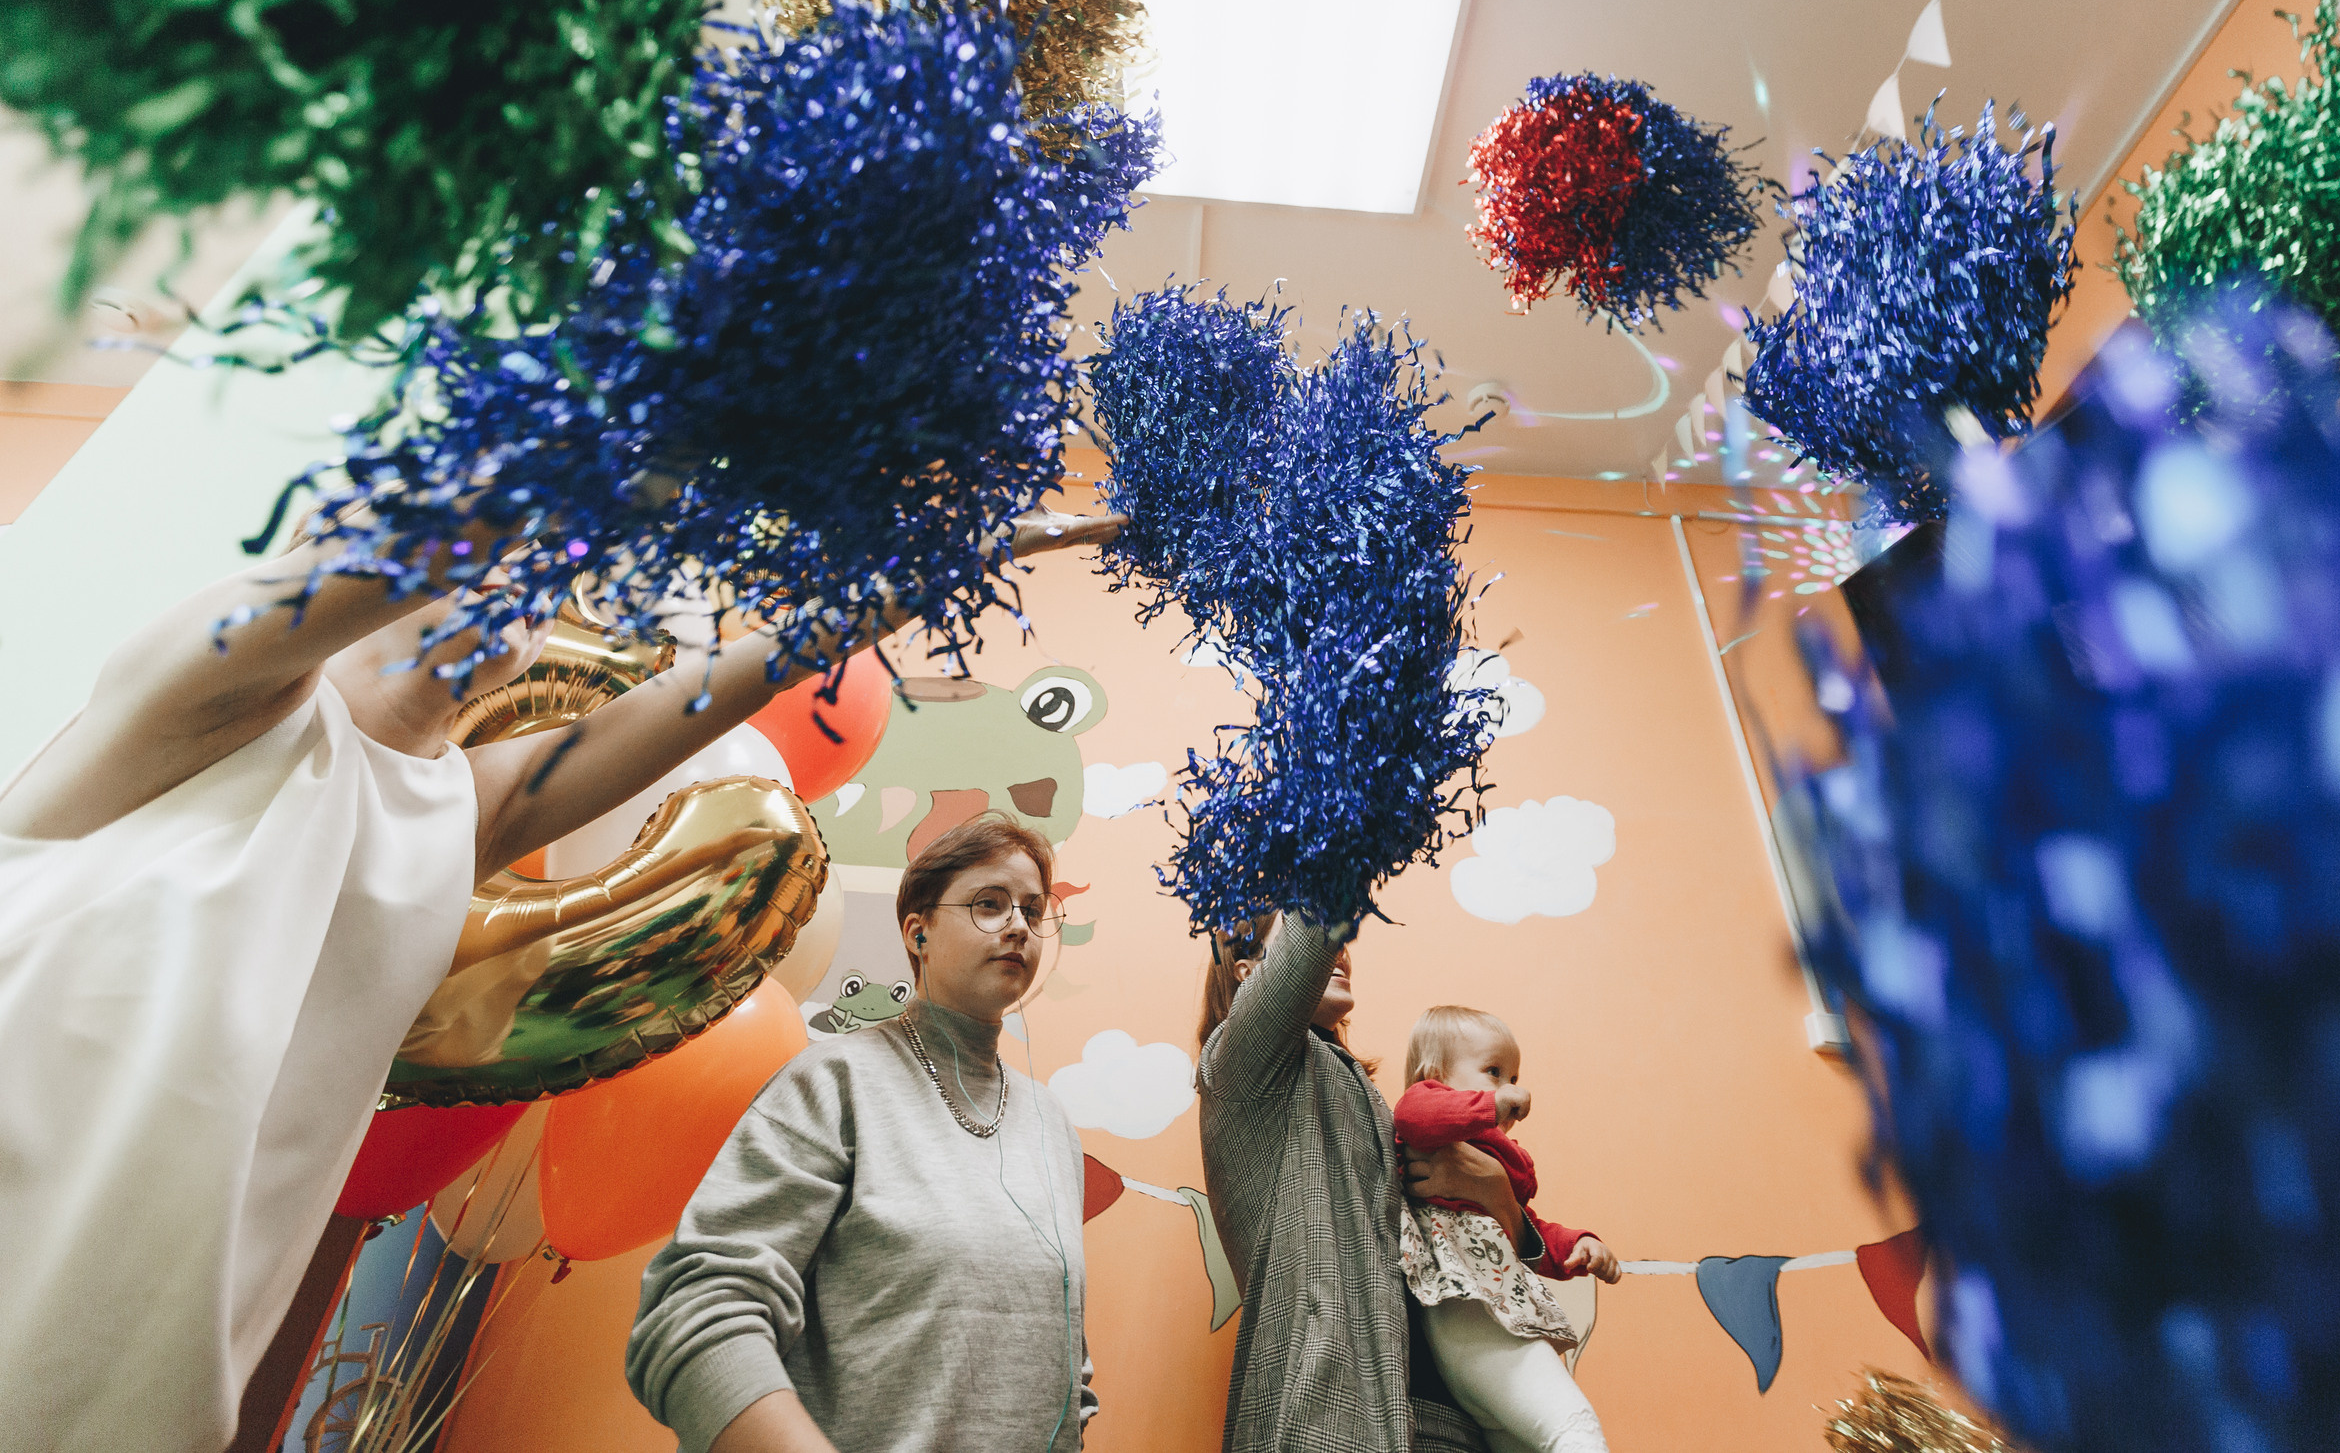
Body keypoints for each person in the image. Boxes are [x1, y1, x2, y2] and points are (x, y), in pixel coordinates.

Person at [0, 509, 1116, 1453]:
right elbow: (459, 511)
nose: (523, 589)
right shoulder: (203, 695)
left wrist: (959, 550)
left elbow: (763, 664)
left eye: (541, 581)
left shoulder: (460, 816)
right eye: (500, 560)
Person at [627, 813, 1094, 1453]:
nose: (1018, 924)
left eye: (1034, 910)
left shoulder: (1052, 1125)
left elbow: (1065, 1365)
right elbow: (694, 1317)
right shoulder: (832, 1082)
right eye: (989, 903)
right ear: (918, 932)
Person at [1196, 913, 1545, 1453]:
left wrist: (1497, 1192)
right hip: (1328, 1411)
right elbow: (1312, 933)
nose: (1342, 949)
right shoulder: (1237, 1063)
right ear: (1248, 973)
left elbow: (1484, 1260)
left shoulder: (1377, 1105)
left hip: (1442, 1418)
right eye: (1314, 936)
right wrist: (1337, 873)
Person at [1394, 1006, 1619, 1453]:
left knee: (1521, 1441)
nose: (1510, 1088)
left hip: (1485, 1319)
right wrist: (1488, 1106)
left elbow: (1527, 1227)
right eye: (1493, 1072)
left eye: (1513, 1076)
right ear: (1433, 1075)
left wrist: (1579, 1243)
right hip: (1474, 1307)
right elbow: (1412, 1112)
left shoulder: (1496, 1155)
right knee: (1573, 1426)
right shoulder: (1429, 1122)